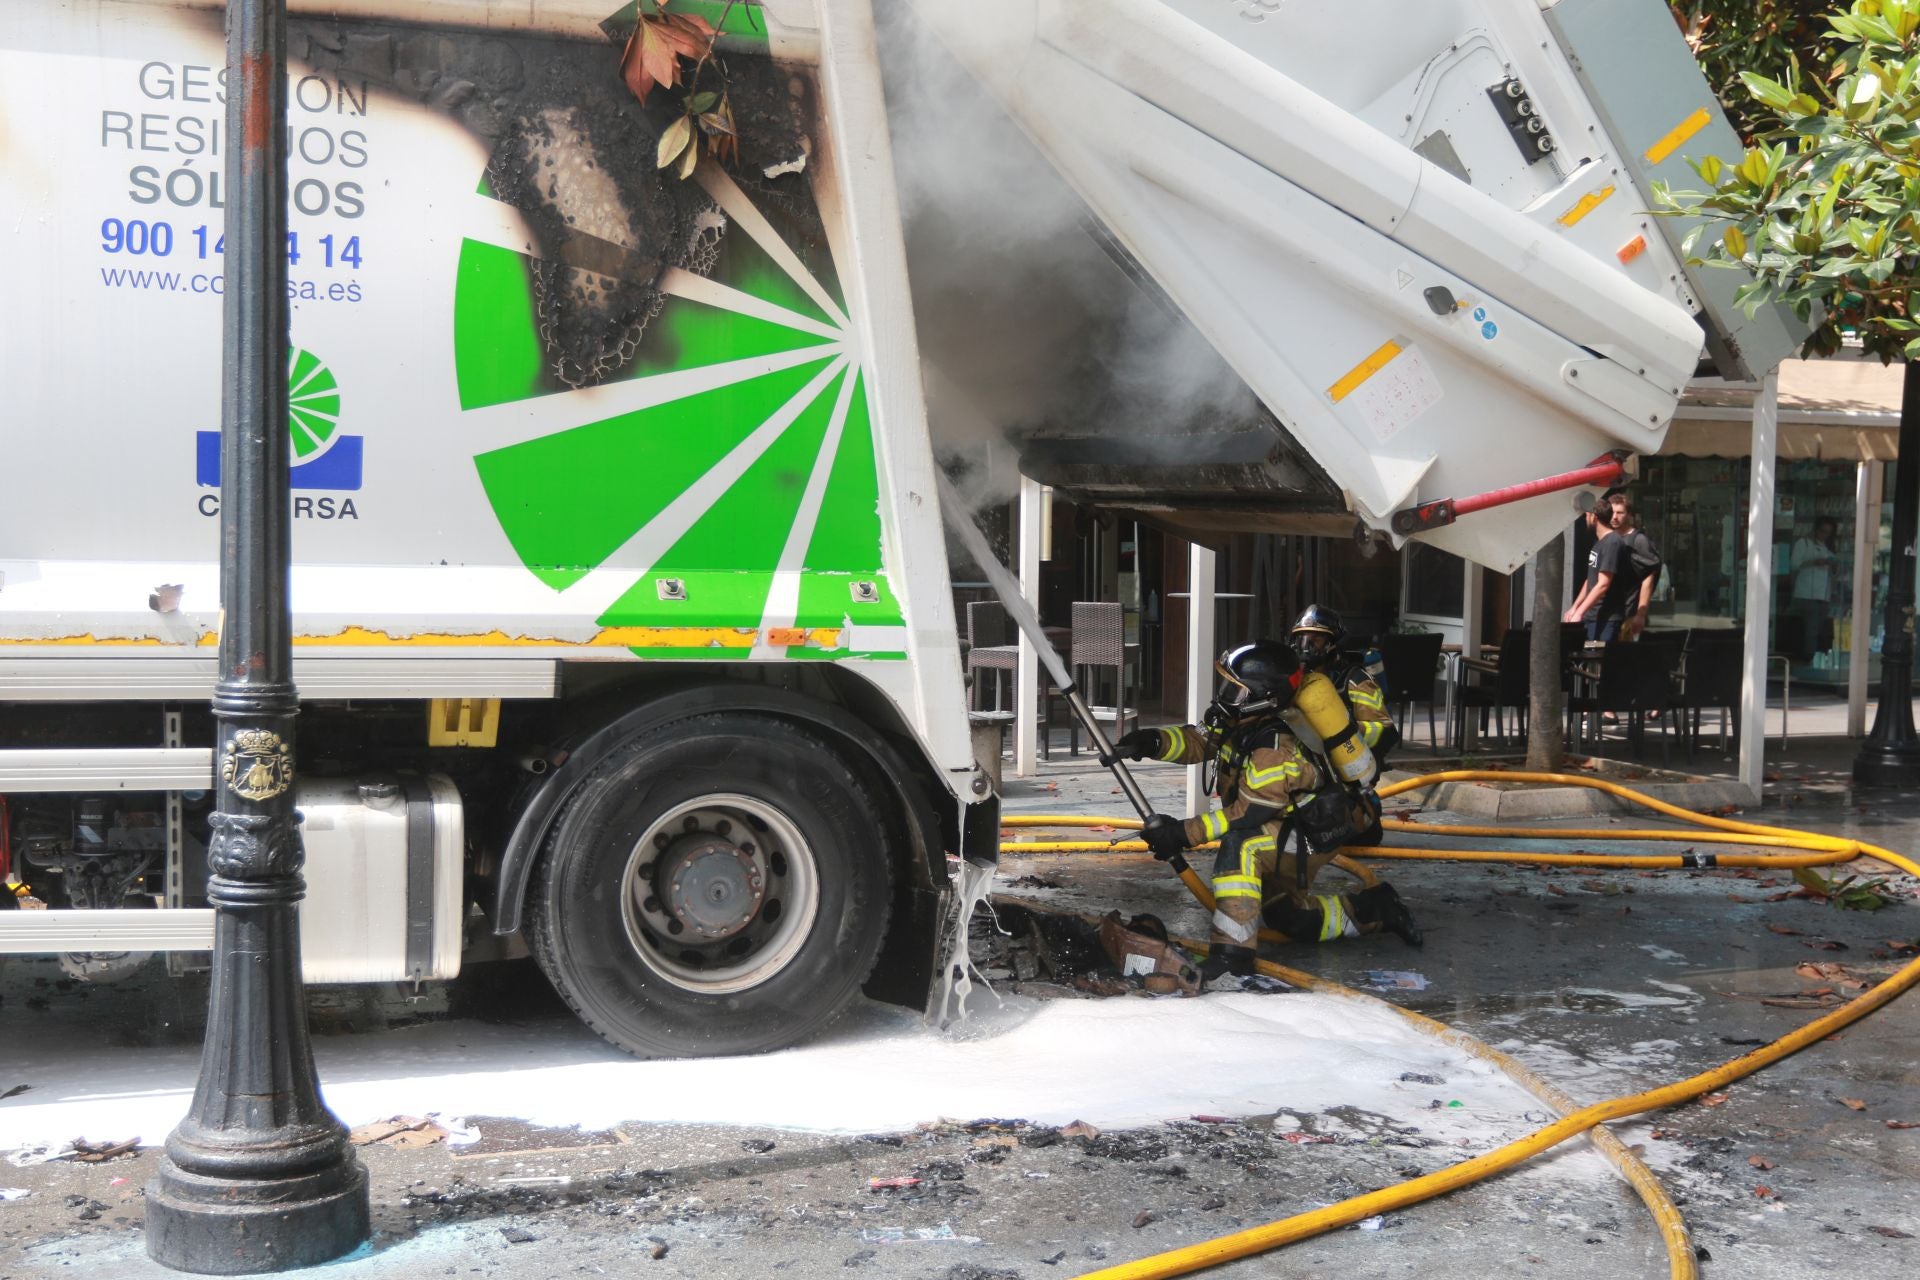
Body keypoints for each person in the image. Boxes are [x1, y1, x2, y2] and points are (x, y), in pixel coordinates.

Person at [1109, 641, 1421, 988]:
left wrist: (1181, 834)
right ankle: (1376, 910)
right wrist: (1149, 743)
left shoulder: (1274, 744)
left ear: (1263, 696)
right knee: (1290, 918)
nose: (1225, 695)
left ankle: (1232, 958)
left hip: (1315, 830)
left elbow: (1248, 812)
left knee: (1241, 846)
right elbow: (1200, 741)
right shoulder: (1246, 720)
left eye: (1235, 689)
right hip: (1288, 825)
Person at [1289, 604, 1399, 761]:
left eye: (1316, 639)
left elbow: (1385, 732)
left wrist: (1342, 729)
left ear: (1332, 644)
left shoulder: (1355, 681)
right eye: (1302, 638)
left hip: (1345, 767)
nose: (1307, 647)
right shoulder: (1295, 680)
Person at [1564, 493, 1644, 643]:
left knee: (1602, 661)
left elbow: (1603, 584)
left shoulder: (1612, 543)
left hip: (1607, 618)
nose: (1585, 519)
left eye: (1586, 516)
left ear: (1594, 517)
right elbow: (1591, 578)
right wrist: (1575, 607)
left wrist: (1580, 613)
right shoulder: (1599, 543)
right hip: (1593, 615)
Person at [1609, 494, 1663, 640]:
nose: (1614, 517)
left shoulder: (1639, 540)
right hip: (1607, 613)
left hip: (1627, 613)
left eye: (1620, 513)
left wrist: (1640, 614)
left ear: (1629, 515)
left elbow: (1648, 579)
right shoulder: (1608, 538)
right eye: (1612, 512)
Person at [1790, 518, 1839, 661]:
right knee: (1811, 629)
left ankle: (1817, 656)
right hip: (1807, 594)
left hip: (1823, 594)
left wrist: (1834, 568)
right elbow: (1794, 564)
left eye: (1828, 533)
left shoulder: (1829, 549)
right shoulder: (1803, 544)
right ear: (1816, 530)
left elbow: (1834, 574)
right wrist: (1814, 562)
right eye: (1823, 531)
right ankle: (1809, 658)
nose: (1825, 535)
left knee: (1819, 629)